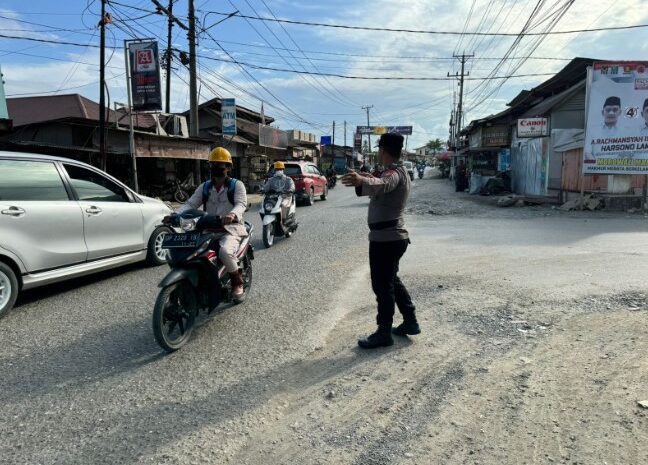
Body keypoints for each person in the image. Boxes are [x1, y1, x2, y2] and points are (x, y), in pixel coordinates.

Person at [341, 133, 419, 349]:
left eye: (379, 149)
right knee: (391, 280)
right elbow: (376, 182)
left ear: (382, 150)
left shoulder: (394, 173)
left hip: (387, 240)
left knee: (382, 286)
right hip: (389, 238)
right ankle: (410, 321)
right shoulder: (394, 170)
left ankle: (384, 332)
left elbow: (383, 183)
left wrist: (363, 179)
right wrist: (363, 178)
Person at [169, 147, 249, 302]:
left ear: (228, 168)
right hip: (206, 228)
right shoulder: (204, 186)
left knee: (225, 252)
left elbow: (241, 204)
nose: (216, 169)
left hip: (230, 228)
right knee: (190, 251)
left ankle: (237, 281)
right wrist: (175, 215)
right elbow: (191, 204)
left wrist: (232, 214)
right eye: (213, 165)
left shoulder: (237, 185)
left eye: (220, 166)